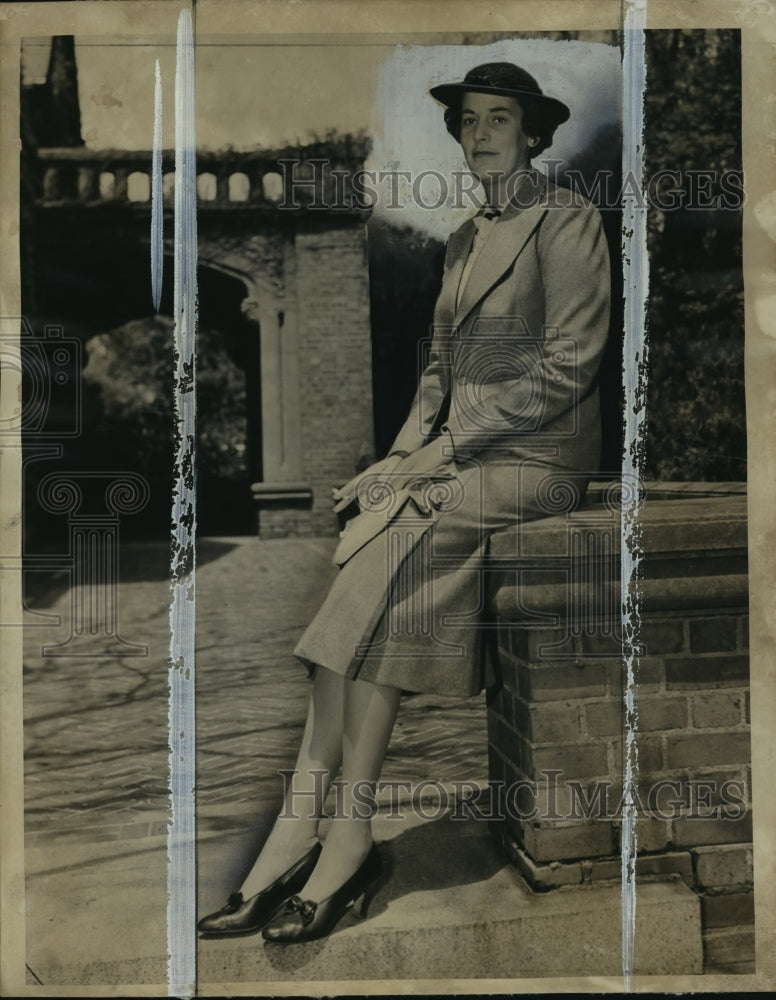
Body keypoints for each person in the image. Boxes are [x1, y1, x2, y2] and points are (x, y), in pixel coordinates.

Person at [198, 61, 611, 944]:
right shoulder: (462, 240)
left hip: (540, 457)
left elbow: (568, 366)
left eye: (501, 119)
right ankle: (326, 832)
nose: (482, 132)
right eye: (469, 120)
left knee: (405, 533)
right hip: (453, 457)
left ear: (534, 134)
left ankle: (320, 838)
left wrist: (436, 458)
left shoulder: (566, 219)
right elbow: (437, 373)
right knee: (367, 545)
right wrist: (393, 464)